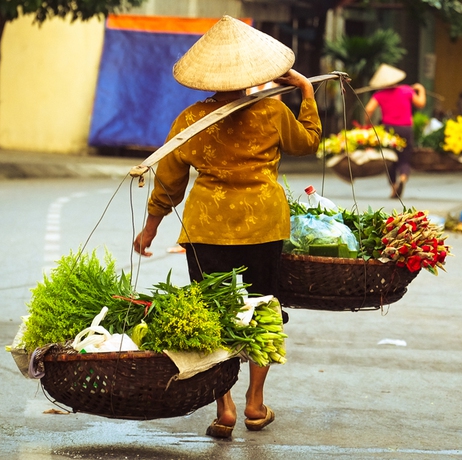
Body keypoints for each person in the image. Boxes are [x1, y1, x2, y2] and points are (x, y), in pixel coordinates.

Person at [132, 16, 321, 439]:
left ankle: (226, 407)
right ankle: (255, 402)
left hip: (207, 229)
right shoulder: (272, 110)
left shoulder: (191, 120)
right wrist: (306, 92)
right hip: (262, 225)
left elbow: (168, 179)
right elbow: (307, 142)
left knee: (215, 315)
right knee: (260, 310)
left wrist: (151, 227)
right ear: (254, 73)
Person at [363, 64, 426, 198]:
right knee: (405, 158)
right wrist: (421, 89)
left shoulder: (379, 94)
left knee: (390, 159)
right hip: (406, 129)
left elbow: (368, 110)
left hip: (388, 131)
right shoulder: (407, 90)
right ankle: (403, 178)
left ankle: (393, 187)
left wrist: (368, 124)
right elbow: (420, 103)